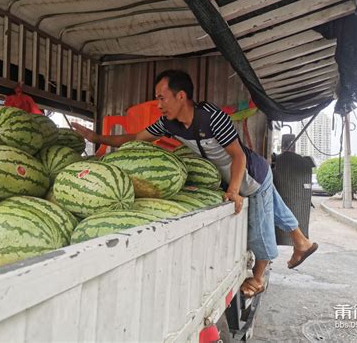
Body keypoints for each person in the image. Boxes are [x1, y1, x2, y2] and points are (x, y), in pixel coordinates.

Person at [72, 70, 318, 298]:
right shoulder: (168, 123)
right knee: (276, 208)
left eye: (161, 98)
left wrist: (233, 190)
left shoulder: (211, 117)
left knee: (260, 224)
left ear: (180, 96)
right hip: (236, 175)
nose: (158, 104)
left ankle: (258, 278)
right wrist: (96, 137)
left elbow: (239, 155)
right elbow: (135, 137)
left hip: (252, 176)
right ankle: (302, 243)